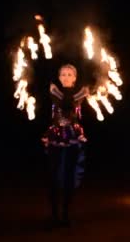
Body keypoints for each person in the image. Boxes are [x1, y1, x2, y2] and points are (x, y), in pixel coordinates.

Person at [41, 64, 89, 228]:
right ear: (59, 77)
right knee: (52, 175)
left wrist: (57, 90)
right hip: (55, 135)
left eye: (69, 74)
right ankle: (54, 215)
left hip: (73, 136)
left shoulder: (79, 94)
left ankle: (66, 214)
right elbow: (59, 102)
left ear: (74, 78)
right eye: (63, 74)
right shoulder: (55, 92)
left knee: (69, 174)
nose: (66, 77)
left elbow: (68, 103)